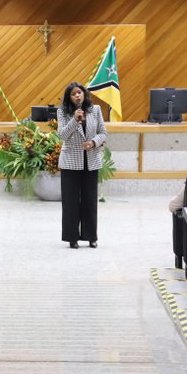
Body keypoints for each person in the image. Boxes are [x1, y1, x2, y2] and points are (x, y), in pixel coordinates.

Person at [56, 81, 107, 249]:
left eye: (79, 92)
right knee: (70, 202)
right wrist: (75, 120)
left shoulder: (95, 110)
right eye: (73, 94)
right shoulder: (63, 113)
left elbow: (103, 133)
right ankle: (72, 238)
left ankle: (91, 237)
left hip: (91, 161)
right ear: (69, 98)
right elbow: (62, 135)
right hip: (70, 161)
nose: (77, 95)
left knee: (90, 201)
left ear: (84, 94)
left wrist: (93, 142)